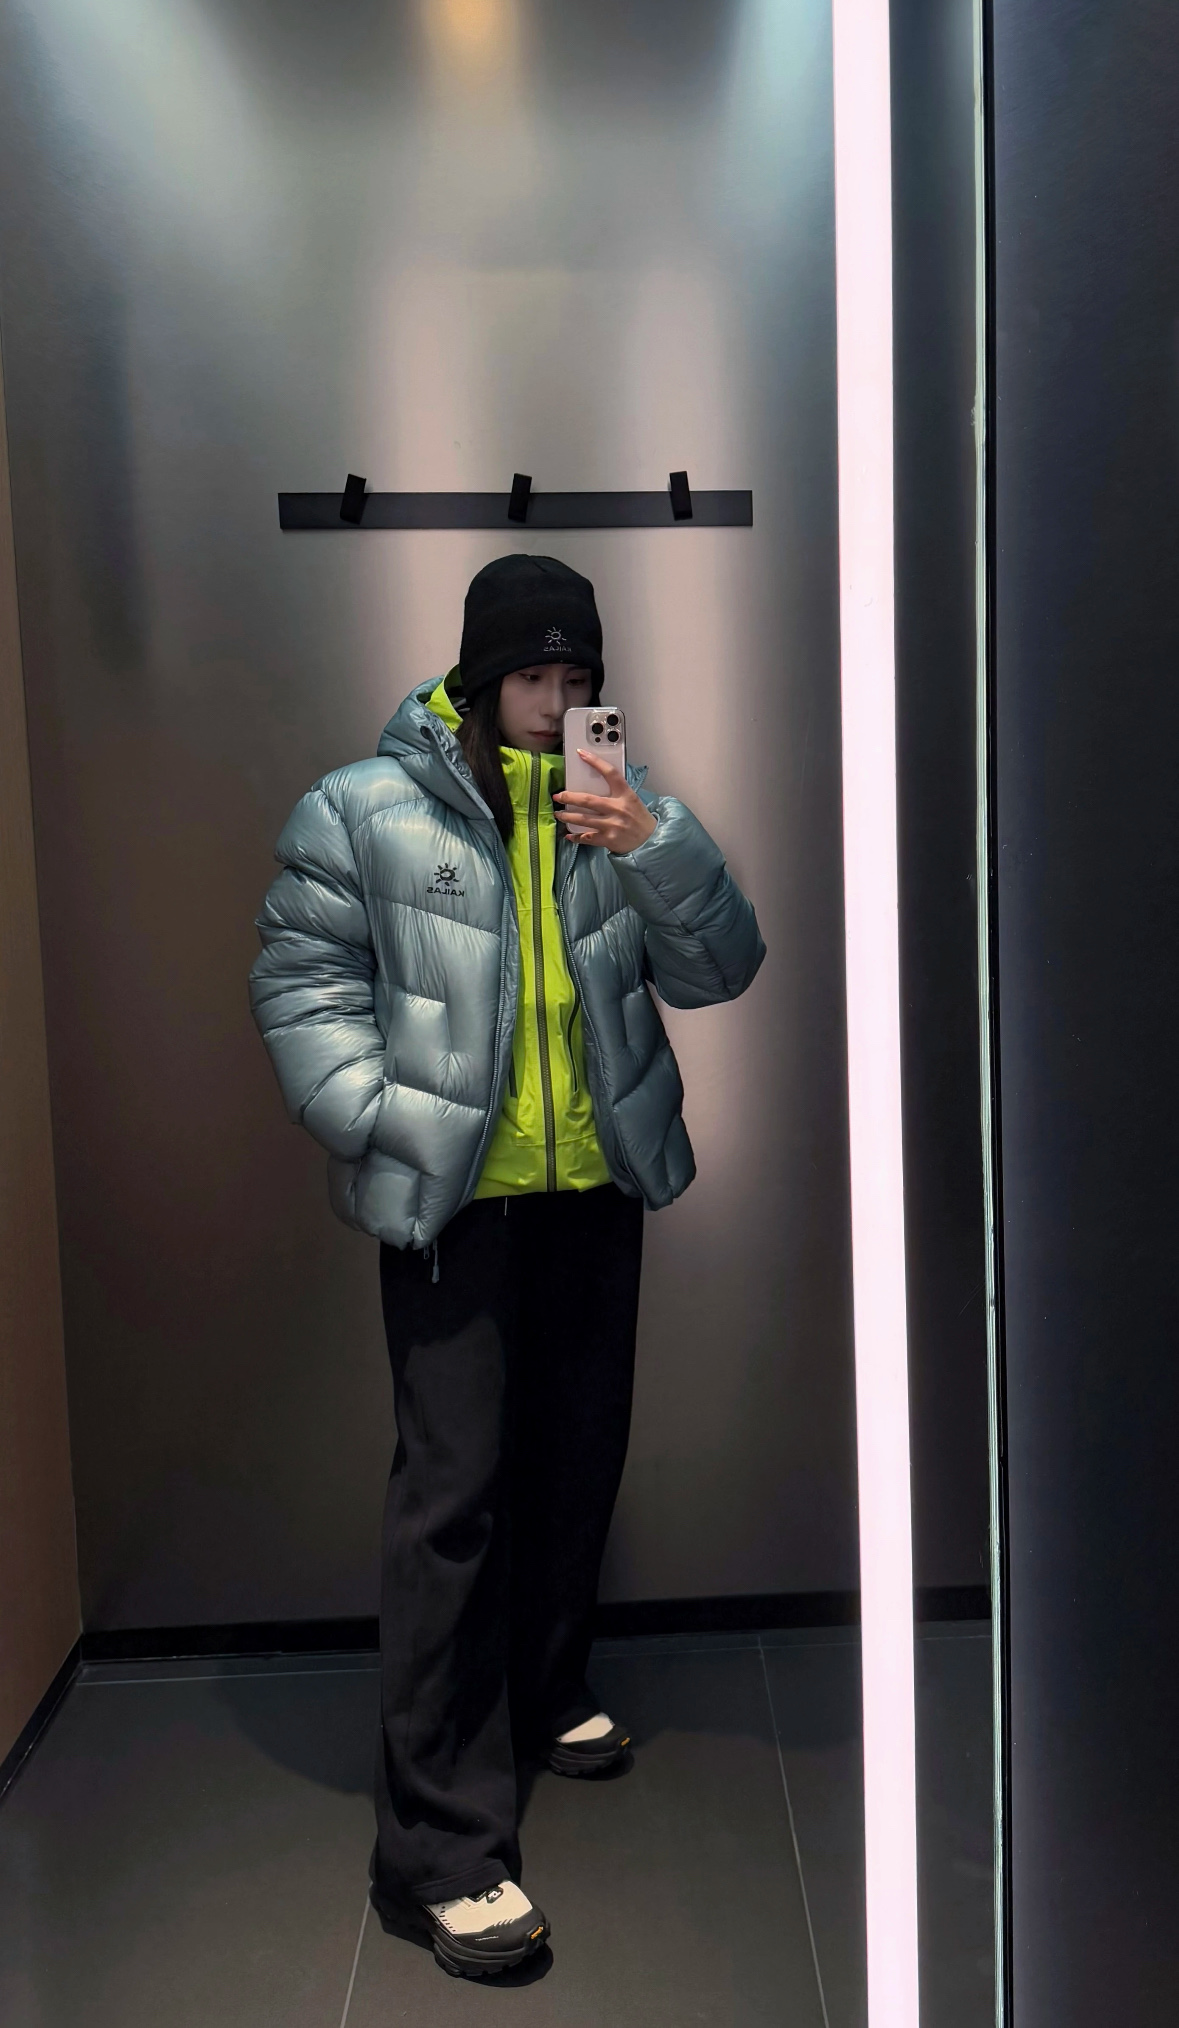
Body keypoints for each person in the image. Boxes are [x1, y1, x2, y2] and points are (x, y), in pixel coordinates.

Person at [249, 553, 764, 1979]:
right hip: (458, 1210)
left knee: (574, 1464)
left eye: (577, 677)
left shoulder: (621, 810)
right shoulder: (364, 810)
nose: (555, 702)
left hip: (594, 1192)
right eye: (533, 676)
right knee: (453, 1504)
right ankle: (439, 1849)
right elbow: (299, 983)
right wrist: (389, 1120)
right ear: (479, 681)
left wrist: (650, 841)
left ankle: (540, 1692)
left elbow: (723, 966)